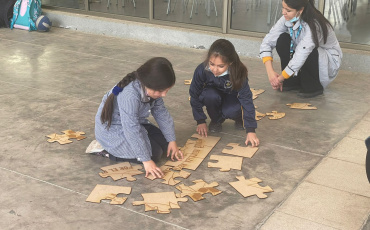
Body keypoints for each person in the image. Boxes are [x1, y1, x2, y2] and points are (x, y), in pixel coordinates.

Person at [95, 57, 183, 179]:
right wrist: (146, 161)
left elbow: (161, 113)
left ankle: (152, 147)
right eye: (161, 91)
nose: (164, 95)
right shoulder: (129, 95)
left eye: (166, 90)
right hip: (113, 130)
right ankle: (107, 151)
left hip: (135, 122)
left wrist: (172, 140)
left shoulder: (151, 87)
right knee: (155, 154)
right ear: (148, 84)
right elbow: (131, 129)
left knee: (165, 143)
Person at [260, 0, 342, 98]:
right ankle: (292, 81)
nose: (283, 12)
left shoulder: (315, 25)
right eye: (283, 8)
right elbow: (267, 41)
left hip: (325, 60)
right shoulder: (286, 18)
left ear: (300, 10)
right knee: (282, 39)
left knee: (308, 50)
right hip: (304, 54)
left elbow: (302, 53)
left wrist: (280, 78)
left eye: (288, 10)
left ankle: (313, 85)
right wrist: (270, 73)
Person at [189, 39, 259, 147]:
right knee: (209, 95)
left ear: (230, 63)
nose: (215, 70)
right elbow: (194, 94)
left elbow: (246, 98)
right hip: (213, 95)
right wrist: (200, 120)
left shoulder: (238, 72)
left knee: (231, 110)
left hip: (231, 97)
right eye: (212, 64)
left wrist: (251, 130)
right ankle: (216, 120)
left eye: (221, 66)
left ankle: (239, 118)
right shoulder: (201, 70)